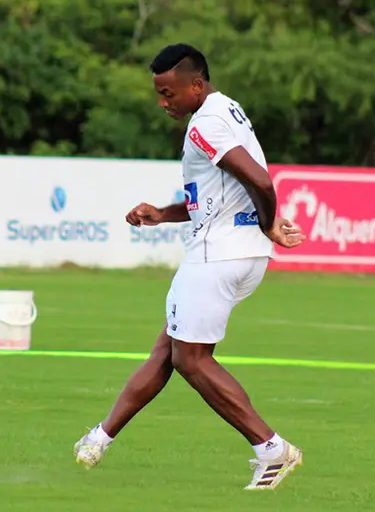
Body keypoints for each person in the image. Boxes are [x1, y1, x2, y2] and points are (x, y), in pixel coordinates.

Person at [74, 44, 306, 490]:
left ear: (195, 85)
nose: (164, 103)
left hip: (217, 255)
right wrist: (163, 214)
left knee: (191, 359)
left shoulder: (205, 125)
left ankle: (271, 448)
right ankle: (99, 440)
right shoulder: (226, 109)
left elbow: (260, 180)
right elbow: (217, 195)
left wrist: (268, 223)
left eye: (169, 93)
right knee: (170, 349)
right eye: (159, 94)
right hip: (238, 252)